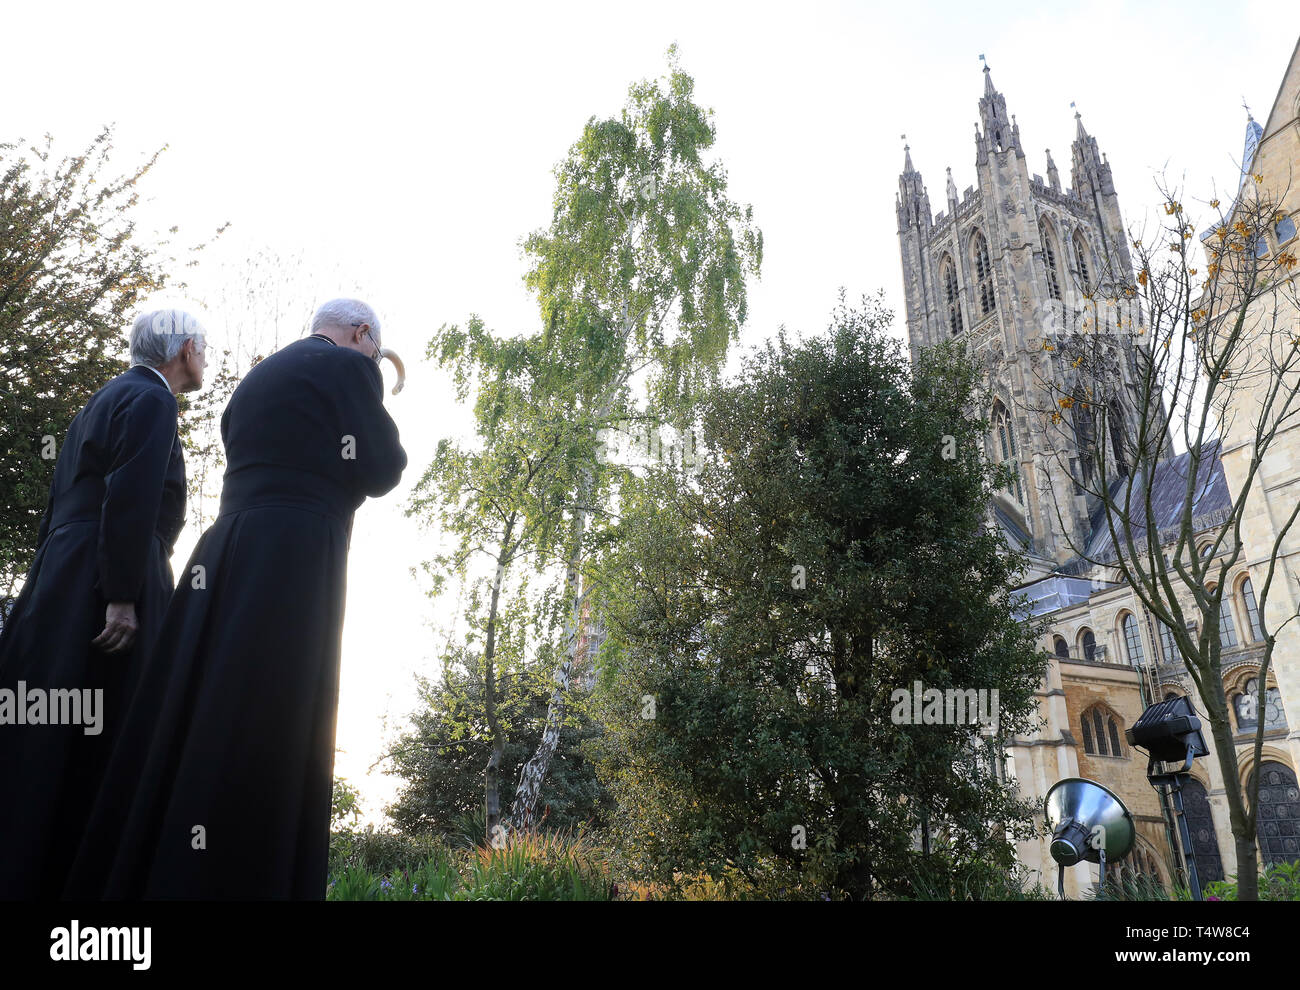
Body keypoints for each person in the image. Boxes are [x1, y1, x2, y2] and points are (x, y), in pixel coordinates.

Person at [67, 298, 407, 900]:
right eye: (371, 348)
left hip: (225, 551)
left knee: (207, 710)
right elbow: (382, 468)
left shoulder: (255, 379)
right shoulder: (354, 368)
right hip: (296, 554)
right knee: (280, 717)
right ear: (361, 334)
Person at [0, 309, 206, 899]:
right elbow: (132, 493)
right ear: (185, 348)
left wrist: (43, 586)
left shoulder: (102, 398)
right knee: (114, 734)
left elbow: (60, 500)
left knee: (51, 727)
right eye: (203, 348)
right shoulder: (153, 400)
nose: (205, 359)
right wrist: (120, 595)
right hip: (109, 576)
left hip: (63, 575)